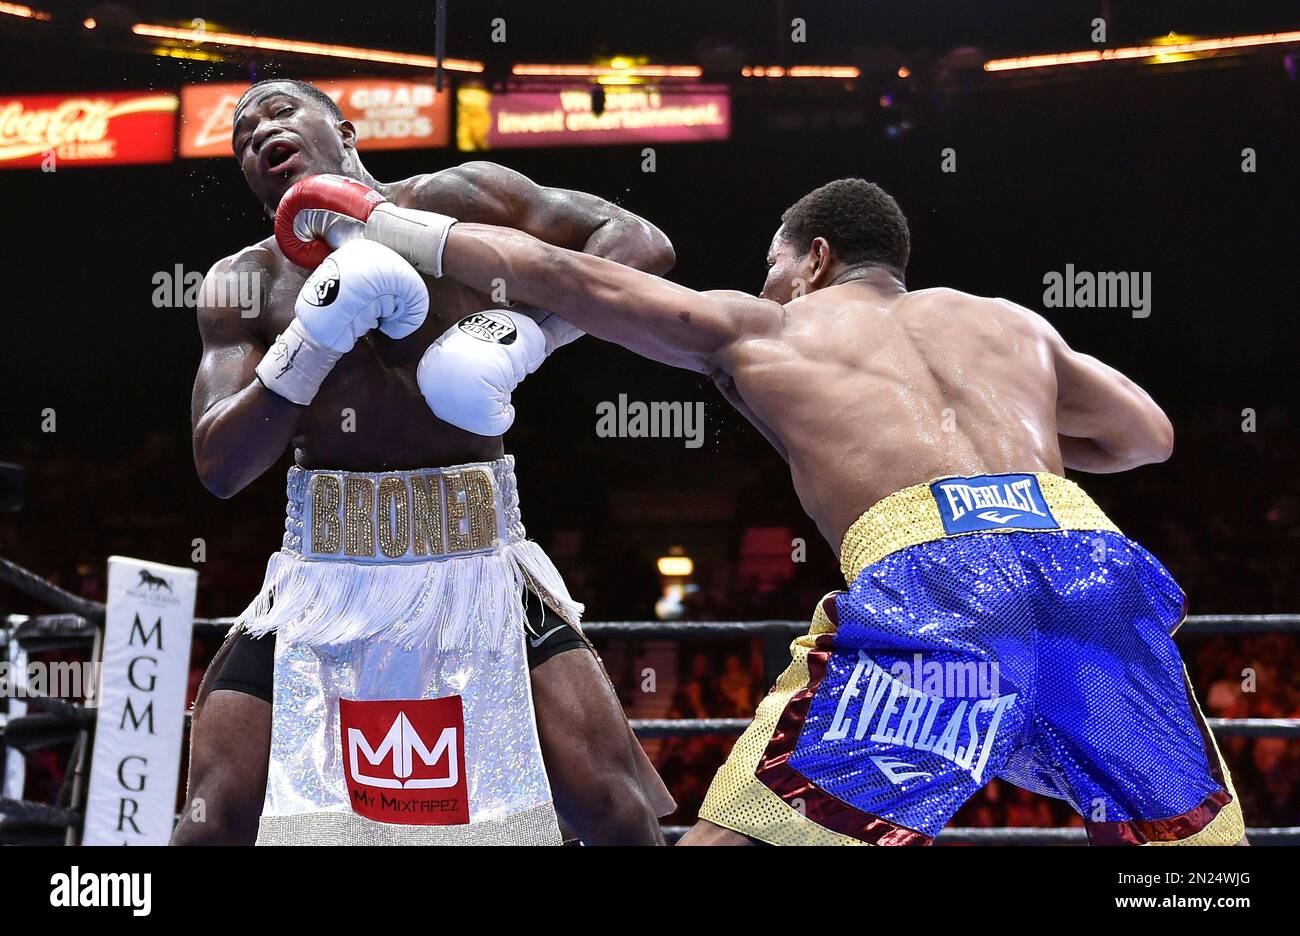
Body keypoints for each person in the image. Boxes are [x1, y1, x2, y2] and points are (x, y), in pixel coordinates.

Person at [276, 174, 1246, 846]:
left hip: (941, 587)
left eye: (772, 262)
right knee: (1182, 861)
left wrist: (379, 220)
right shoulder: (1008, 323)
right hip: (1090, 568)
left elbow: (567, 277)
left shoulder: (769, 322)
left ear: (812, 258)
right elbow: (1145, 438)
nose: (767, 280)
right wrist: (1015, 444)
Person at [172, 78, 675, 845]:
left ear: (345, 131)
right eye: (241, 135)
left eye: (278, 112)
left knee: (609, 805)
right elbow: (220, 465)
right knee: (217, 812)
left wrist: (531, 336)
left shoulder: (455, 202)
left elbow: (637, 242)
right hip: (323, 576)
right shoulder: (246, 282)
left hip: (476, 553)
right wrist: (310, 343)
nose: (257, 134)